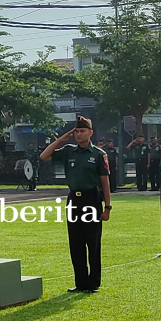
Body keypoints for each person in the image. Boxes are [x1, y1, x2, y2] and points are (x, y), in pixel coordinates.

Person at [40, 116, 111, 294]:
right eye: (77, 131)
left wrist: (107, 207)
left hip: (91, 200)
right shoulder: (69, 151)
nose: (79, 134)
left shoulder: (98, 154)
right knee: (76, 243)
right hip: (74, 200)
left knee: (93, 243)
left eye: (82, 131)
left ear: (90, 133)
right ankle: (80, 282)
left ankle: (93, 283)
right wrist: (61, 139)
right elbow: (44, 156)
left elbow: (105, 182)